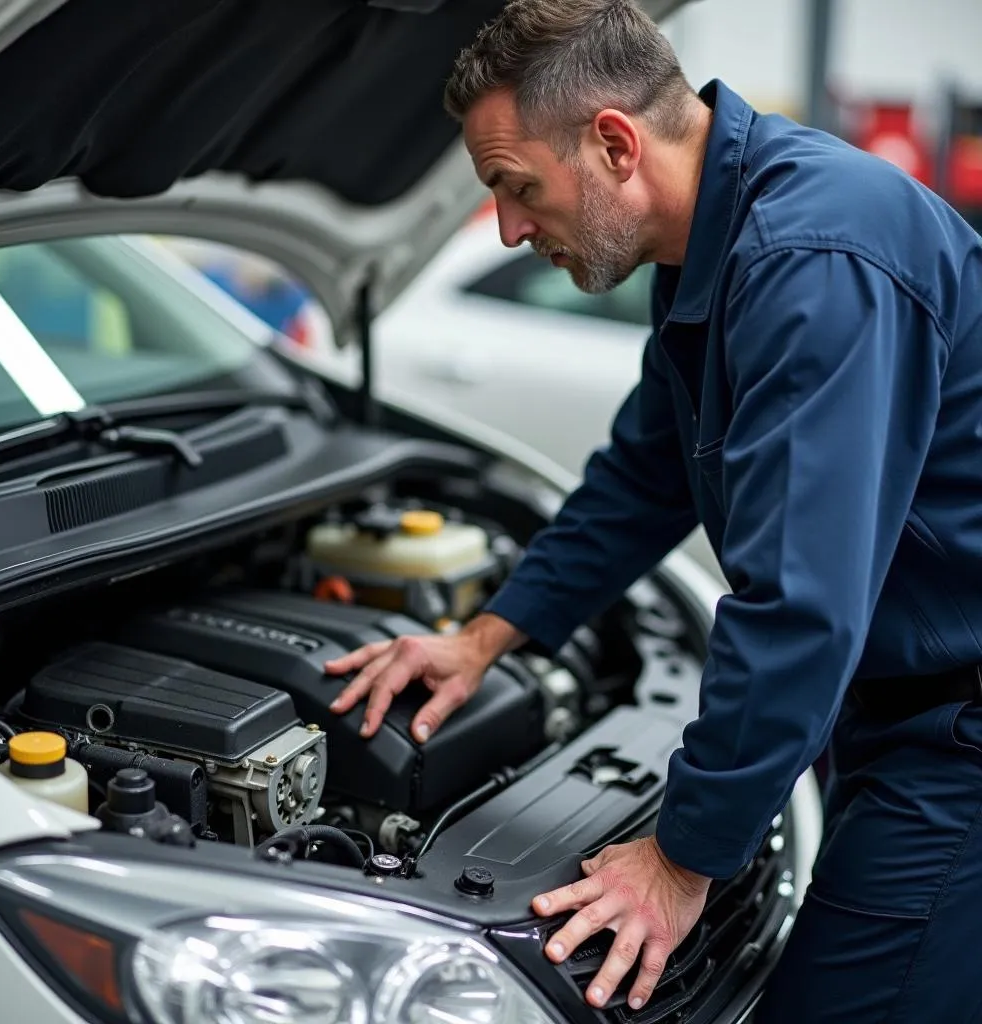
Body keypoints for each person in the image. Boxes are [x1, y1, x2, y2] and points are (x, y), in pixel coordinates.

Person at [327, 1, 982, 1020]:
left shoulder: (809, 261)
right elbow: (644, 475)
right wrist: (485, 638)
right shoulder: (713, 244)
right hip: (892, 704)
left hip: (957, 735)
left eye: (515, 187)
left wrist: (682, 858)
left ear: (614, 144)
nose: (505, 225)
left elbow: (799, 605)